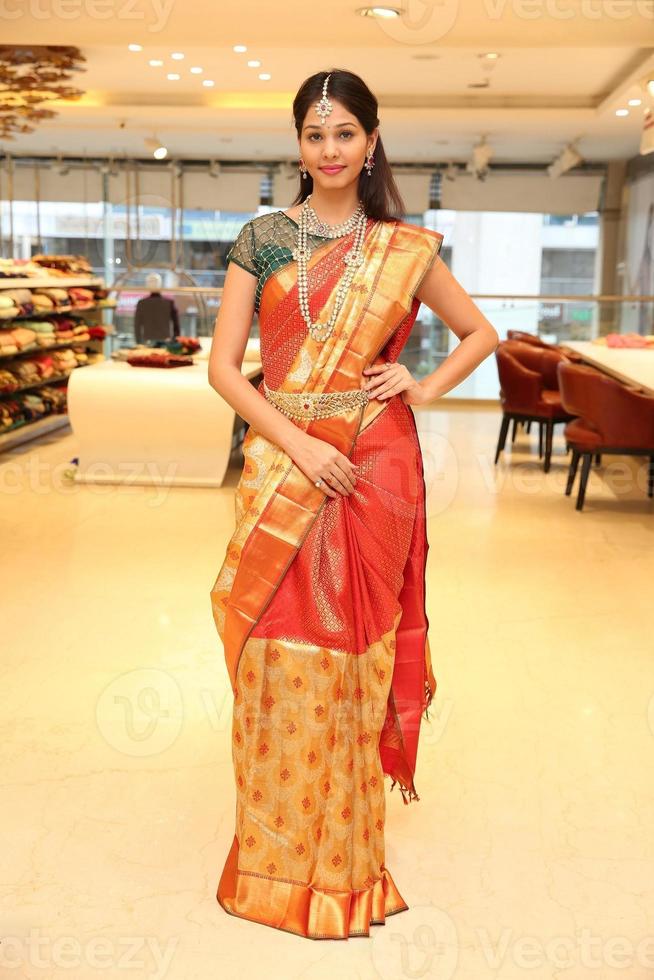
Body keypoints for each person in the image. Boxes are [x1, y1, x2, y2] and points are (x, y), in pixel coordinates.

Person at [208, 68, 499, 941]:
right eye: (313, 133)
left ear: (372, 141)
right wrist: (298, 442)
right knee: (268, 649)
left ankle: (343, 857)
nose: (329, 150)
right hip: (284, 462)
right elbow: (225, 369)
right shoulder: (262, 238)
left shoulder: (402, 249)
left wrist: (423, 382)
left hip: (374, 470)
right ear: (298, 143)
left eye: (344, 134)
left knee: (349, 658)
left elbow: (481, 333)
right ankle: (271, 854)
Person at [133, 272, 180, 344]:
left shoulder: (142, 303)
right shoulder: (169, 302)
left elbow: (137, 325)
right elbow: (176, 324)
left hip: (148, 341)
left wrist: (138, 342)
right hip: (165, 341)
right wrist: (175, 340)